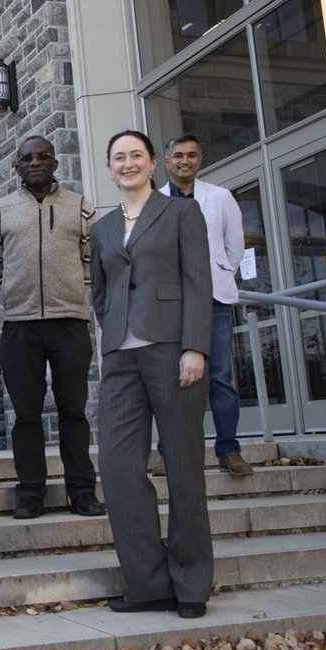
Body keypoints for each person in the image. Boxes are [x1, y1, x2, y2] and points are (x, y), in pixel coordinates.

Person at [89, 130, 214, 620]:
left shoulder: (181, 212)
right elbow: (101, 294)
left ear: (153, 162)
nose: (127, 164)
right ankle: (147, 583)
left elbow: (198, 283)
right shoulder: (101, 229)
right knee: (118, 469)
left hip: (173, 351)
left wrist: (194, 346)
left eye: (135, 155)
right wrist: (116, 329)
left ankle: (190, 584)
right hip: (121, 355)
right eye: (118, 157)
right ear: (110, 166)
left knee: (183, 466)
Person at [0, 136, 105, 519]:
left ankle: (82, 492)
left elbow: (91, 261)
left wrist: (73, 294)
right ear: (16, 167)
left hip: (69, 324)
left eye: (43, 157)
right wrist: (15, 296)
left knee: (74, 411)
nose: (35, 163)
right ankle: (31, 492)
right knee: (26, 415)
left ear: (55, 164)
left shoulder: (81, 209)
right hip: (20, 328)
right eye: (27, 158)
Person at [156, 133, 253, 476]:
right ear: (166, 161)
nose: (185, 160)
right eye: (179, 155)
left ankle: (229, 450)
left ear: (200, 160)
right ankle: (170, 452)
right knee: (172, 380)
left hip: (214, 300)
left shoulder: (220, 197)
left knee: (221, 376)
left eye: (192, 155)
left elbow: (234, 245)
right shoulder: (154, 201)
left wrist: (218, 272)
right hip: (170, 303)